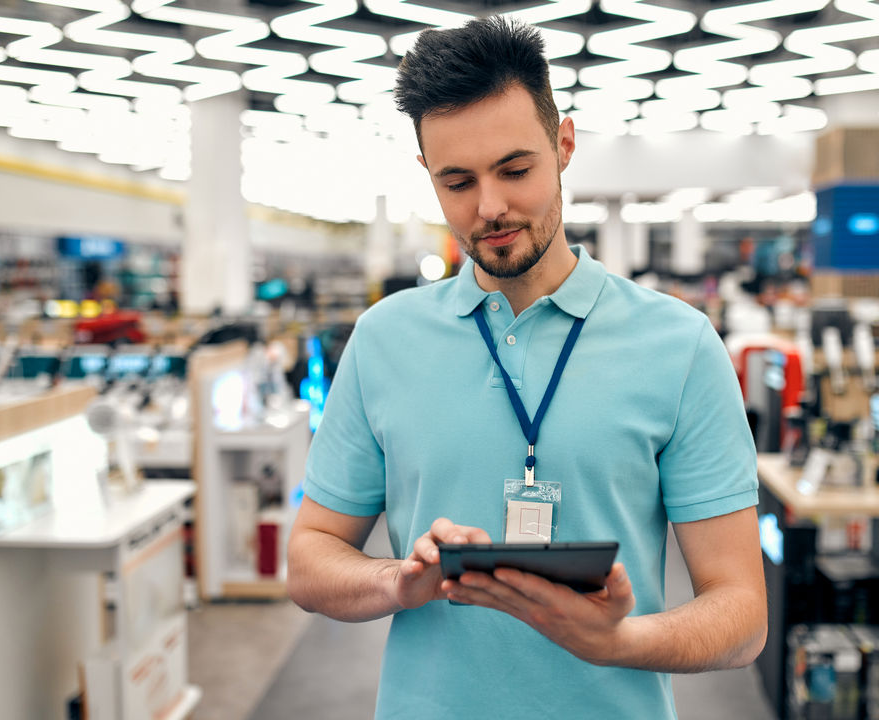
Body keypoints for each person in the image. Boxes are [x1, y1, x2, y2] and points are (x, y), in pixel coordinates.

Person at [287, 15, 767, 720]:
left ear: (564, 144)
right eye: (458, 182)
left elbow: (743, 614)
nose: (490, 207)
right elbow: (311, 557)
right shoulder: (384, 339)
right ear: (427, 175)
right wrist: (399, 580)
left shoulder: (680, 345)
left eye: (515, 170)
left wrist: (617, 642)